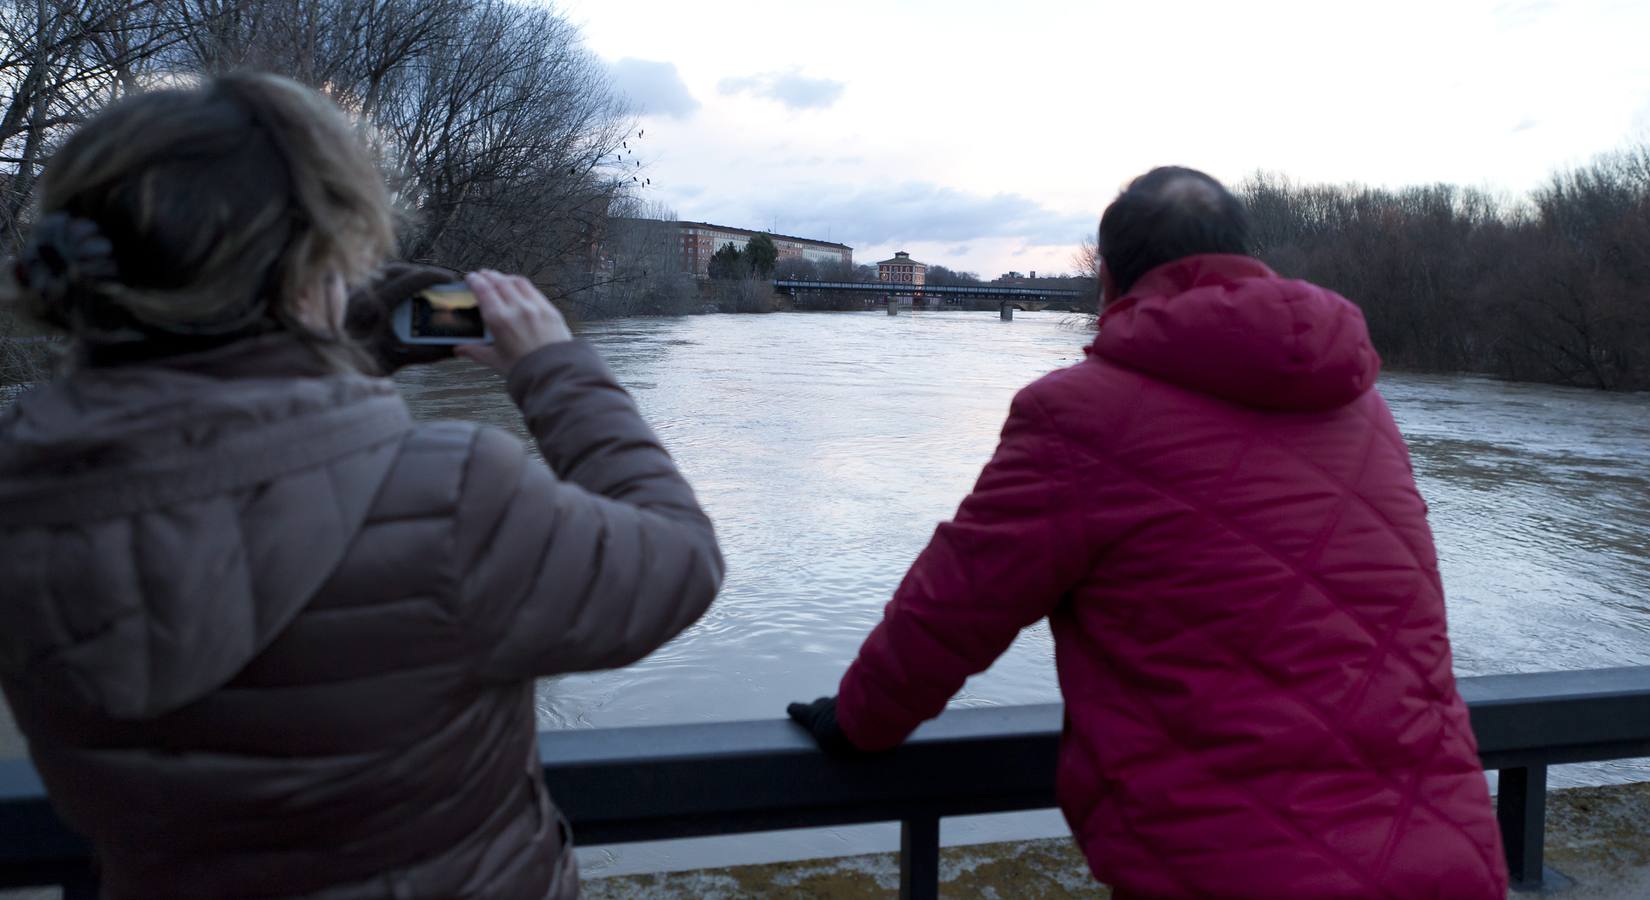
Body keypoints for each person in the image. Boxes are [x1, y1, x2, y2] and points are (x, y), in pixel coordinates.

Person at [0, 74, 723, 899]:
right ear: (318, 259)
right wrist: (557, 372)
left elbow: (215, 425)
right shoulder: (450, 499)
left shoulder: (25, 493)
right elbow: (679, 560)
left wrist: (322, 321)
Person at [789, 167, 1506, 898]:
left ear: (1108, 282)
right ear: (1247, 256)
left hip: (1234, 869)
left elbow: (957, 607)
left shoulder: (1080, 416)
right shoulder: (1361, 408)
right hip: (1448, 859)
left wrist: (860, 720)